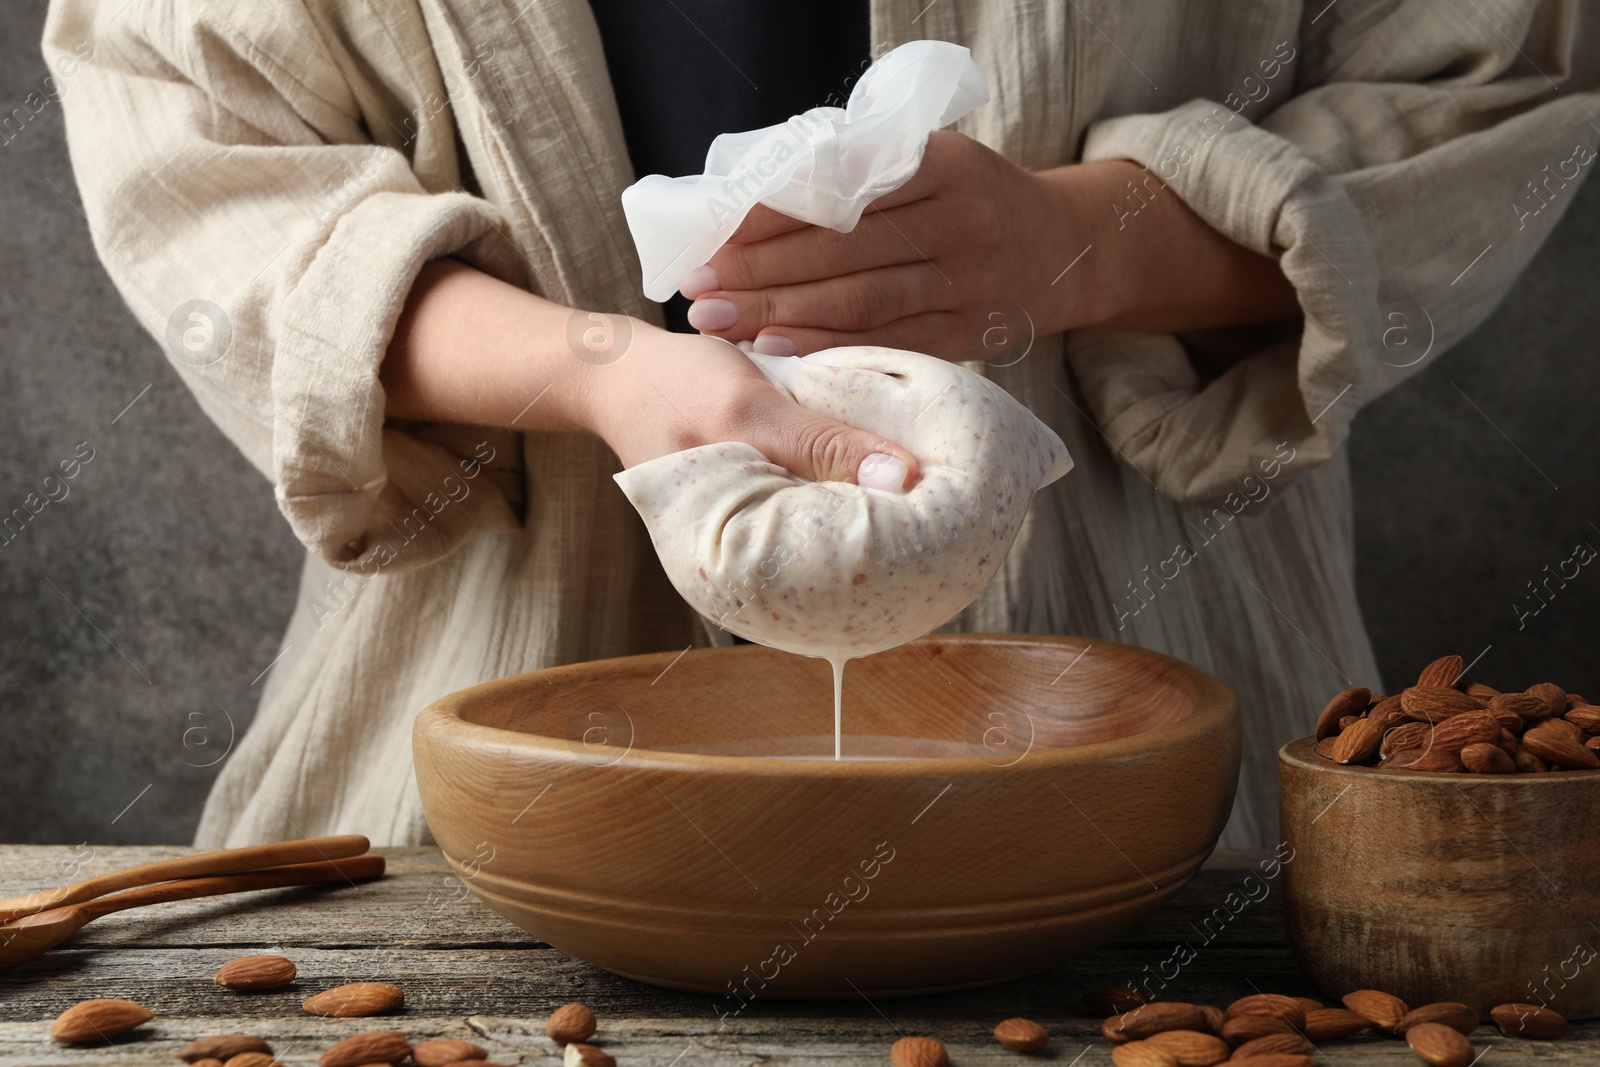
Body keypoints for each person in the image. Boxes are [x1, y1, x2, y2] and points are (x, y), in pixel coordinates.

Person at [44, 0, 1599, 849]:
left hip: (1174, 782)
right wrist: (602, 373)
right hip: (476, 777)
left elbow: (1496, 75)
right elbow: (204, 168)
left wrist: (1086, 242)